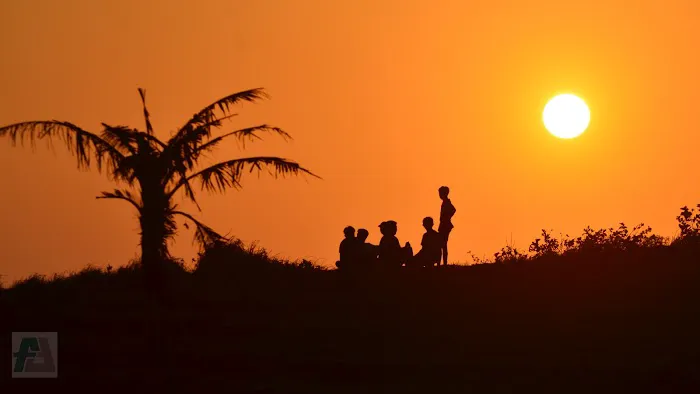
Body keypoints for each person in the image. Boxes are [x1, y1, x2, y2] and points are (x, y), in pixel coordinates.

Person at [438, 186, 456, 266]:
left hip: (445, 225)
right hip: (444, 225)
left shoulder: (446, 202)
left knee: (442, 245)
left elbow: (453, 210)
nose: (439, 195)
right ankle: (442, 263)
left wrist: (447, 218)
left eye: (440, 193)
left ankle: (444, 263)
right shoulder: (445, 202)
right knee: (442, 245)